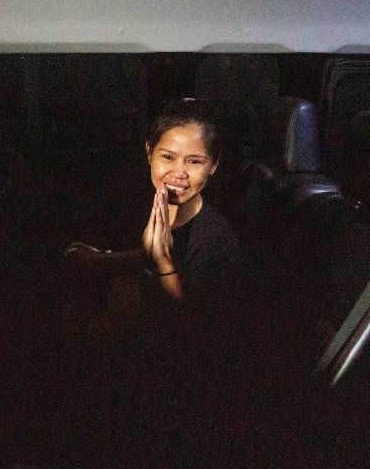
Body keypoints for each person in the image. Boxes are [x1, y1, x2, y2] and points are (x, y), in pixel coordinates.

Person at [64, 97, 240, 322]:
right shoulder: (131, 202)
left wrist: (162, 259)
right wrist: (137, 258)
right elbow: (75, 256)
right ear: (149, 152)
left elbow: (194, 323)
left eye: (194, 162)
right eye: (168, 157)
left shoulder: (215, 238)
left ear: (213, 164)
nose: (179, 172)